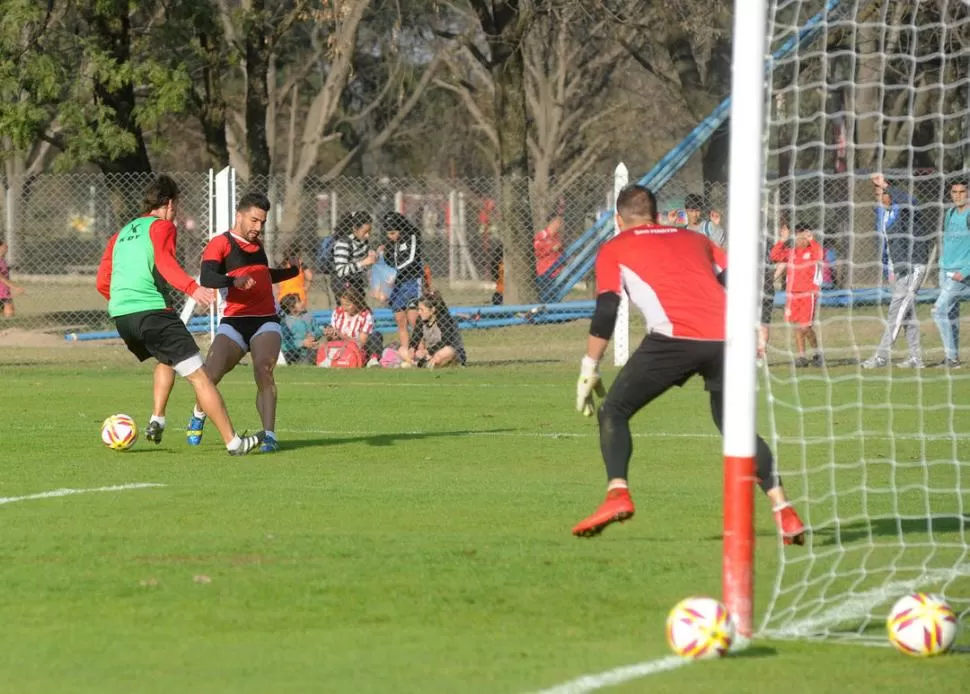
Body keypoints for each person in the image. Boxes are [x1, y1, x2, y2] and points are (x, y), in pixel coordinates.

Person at [571, 184, 805, 543]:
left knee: (614, 410)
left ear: (619, 219)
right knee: (736, 427)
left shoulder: (614, 248)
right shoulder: (694, 238)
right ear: (656, 213)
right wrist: (759, 323)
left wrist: (590, 365)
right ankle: (784, 511)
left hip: (674, 340)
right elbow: (739, 280)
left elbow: (606, 309)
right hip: (729, 338)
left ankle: (618, 493)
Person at [95, 175, 263, 455]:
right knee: (201, 377)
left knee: (166, 357)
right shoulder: (161, 227)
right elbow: (165, 262)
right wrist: (192, 288)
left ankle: (157, 418)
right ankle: (234, 443)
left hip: (123, 317)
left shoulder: (121, 234)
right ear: (169, 203)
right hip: (151, 312)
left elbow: (103, 281)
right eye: (177, 206)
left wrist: (124, 303)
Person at [184, 192, 299, 453]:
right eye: (254, 220)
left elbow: (263, 276)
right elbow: (207, 276)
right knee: (210, 375)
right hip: (234, 321)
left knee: (264, 369)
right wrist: (232, 281)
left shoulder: (257, 246)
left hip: (264, 320)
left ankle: (269, 434)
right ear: (239, 215)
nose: (258, 228)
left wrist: (291, 271)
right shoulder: (221, 243)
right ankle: (199, 412)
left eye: (263, 222)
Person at [861, 174, 932, 369]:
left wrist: (886, 185)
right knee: (907, 314)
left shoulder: (906, 209)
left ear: (891, 193)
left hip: (914, 266)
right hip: (898, 270)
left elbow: (911, 201)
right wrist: (888, 268)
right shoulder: (883, 215)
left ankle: (881, 357)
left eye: (882, 193)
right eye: (877, 194)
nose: (880, 197)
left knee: (896, 312)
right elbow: (885, 246)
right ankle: (916, 358)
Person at [771, 223, 823, 367]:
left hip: (808, 294)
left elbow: (820, 255)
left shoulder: (813, 251)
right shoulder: (791, 252)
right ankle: (801, 357)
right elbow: (774, 255)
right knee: (798, 326)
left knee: (806, 327)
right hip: (793, 295)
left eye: (804, 236)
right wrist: (783, 239)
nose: (801, 239)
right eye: (798, 236)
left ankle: (817, 353)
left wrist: (812, 240)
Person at [931, 178, 970, 368]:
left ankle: (951, 358)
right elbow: (948, 240)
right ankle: (953, 358)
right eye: (955, 192)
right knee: (951, 314)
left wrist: (965, 271)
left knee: (938, 311)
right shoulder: (950, 213)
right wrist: (942, 263)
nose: (958, 196)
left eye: (962, 192)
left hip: (961, 274)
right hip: (945, 271)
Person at [380, 211, 424, 357]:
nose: (390, 236)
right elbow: (386, 264)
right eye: (388, 233)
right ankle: (406, 352)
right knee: (400, 320)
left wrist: (395, 273)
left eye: (393, 233)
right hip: (396, 286)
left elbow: (411, 259)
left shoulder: (412, 237)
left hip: (411, 282)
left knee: (413, 318)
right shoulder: (389, 244)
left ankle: (420, 350)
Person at [405, 290, 466, 368]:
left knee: (445, 352)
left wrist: (427, 351)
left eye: (422, 309)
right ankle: (424, 363)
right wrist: (412, 348)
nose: (419, 312)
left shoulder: (444, 320)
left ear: (432, 310)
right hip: (430, 353)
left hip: (450, 352)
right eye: (418, 309)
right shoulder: (421, 319)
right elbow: (415, 337)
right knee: (402, 350)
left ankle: (425, 363)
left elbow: (445, 342)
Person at [324, 285, 383, 364]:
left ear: (357, 303)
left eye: (348, 305)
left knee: (376, 335)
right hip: (339, 347)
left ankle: (373, 361)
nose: (344, 308)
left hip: (358, 350)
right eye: (342, 304)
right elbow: (332, 337)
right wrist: (330, 334)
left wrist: (341, 336)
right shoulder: (338, 312)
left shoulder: (365, 315)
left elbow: (361, 343)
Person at [332, 211, 376, 297]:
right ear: (355, 229)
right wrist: (363, 262)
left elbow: (363, 262)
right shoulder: (343, 243)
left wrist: (373, 255)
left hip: (357, 282)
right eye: (365, 232)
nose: (368, 235)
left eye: (369, 231)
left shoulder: (363, 240)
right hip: (343, 284)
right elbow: (341, 271)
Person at [280, 293, 323, 364]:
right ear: (291, 308)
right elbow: (283, 344)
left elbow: (318, 329)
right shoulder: (286, 322)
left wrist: (313, 335)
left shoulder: (308, 316)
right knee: (305, 361)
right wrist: (302, 343)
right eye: (299, 301)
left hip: (313, 348)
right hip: (296, 353)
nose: (302, 302)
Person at [0, 240, 25, 318]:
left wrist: (10, 267)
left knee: (5, 312)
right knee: (10, 313)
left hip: (4, 291)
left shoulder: (2, 260)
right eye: (5, 246)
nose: (7, 247)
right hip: (2, 292)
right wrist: (15, 287)